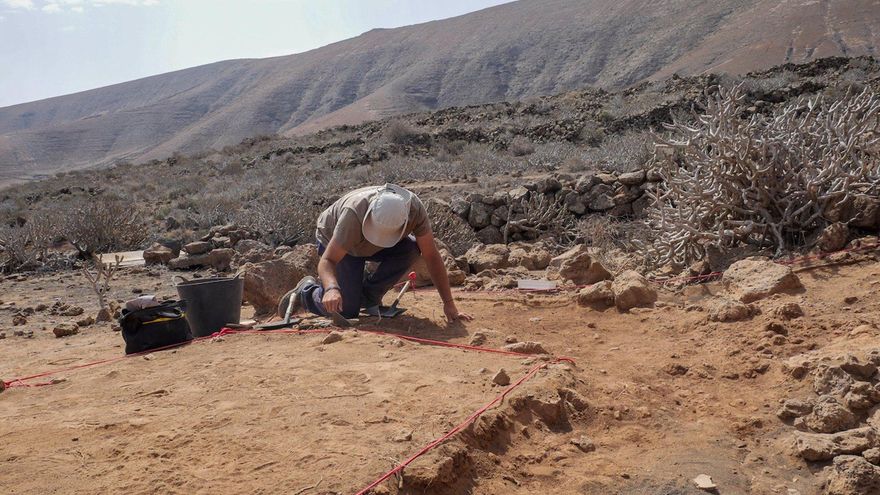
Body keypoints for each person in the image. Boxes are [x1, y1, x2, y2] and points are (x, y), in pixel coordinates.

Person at [288, 183, 472, 323]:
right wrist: (331, 289)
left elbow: (431, 255)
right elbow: (328, 260)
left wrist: (449, 304)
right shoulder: (353, 214)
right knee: (345, 310)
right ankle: (307, 292)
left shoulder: (414, 210)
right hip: (341, 243)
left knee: (412, 249)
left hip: (372, 246)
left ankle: (368, 298)